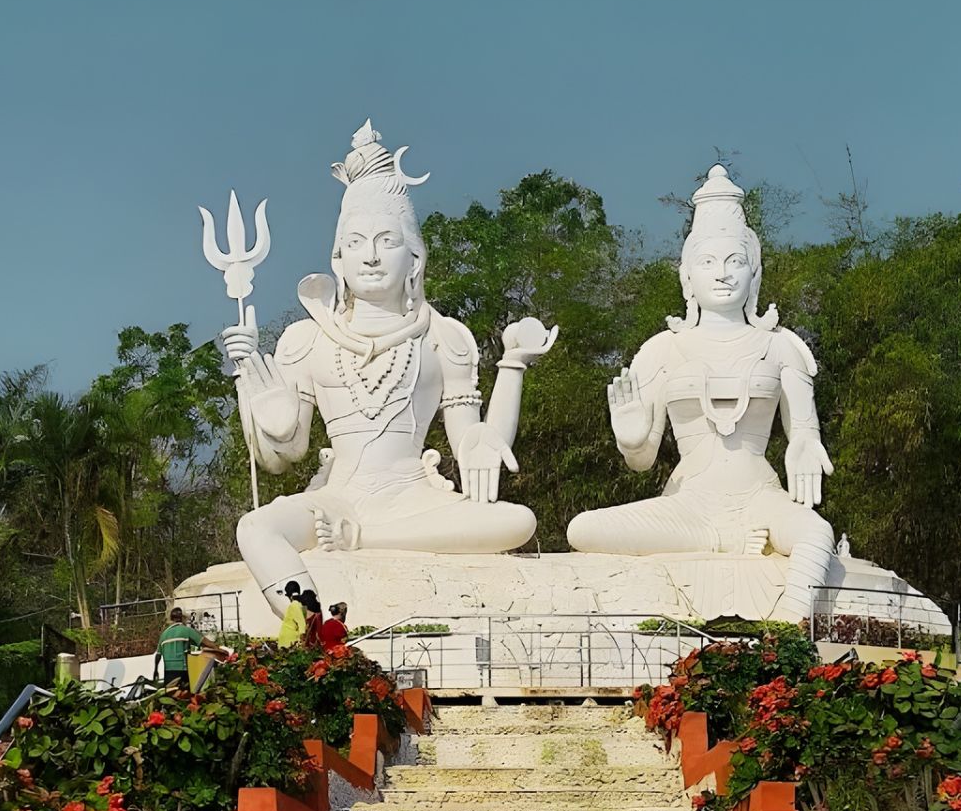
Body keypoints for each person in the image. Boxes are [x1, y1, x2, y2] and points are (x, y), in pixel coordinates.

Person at [220, 121, 558, 617]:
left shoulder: (444, 337)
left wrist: (513, 366)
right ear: (338, 259)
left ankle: (364, 539)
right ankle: (309, 623)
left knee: (515, 521)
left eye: (386, 241)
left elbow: (473, 448)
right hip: (335, 499)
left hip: (413, 500)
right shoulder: (306, 339)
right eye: (356, 243)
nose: (372, 257)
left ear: (414, 257)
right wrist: (259, 404)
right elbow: (280, 458)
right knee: (254, 527)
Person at [565, 164, 837, 621]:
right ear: (686, 277)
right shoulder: (661, 351)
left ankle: (791, 628)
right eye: (708, 263)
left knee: (815, 533)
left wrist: (807, 447)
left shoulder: (781, 347)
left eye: (736, 263)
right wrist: (631, 440)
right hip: (690, 505)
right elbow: (642, 460)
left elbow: (804, 432)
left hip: (759, 498)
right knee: (583, 529)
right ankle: (722, 541)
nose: (723, 275)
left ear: (755, 274)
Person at [157, 607, 225, 692]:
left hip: (168, 672)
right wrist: (219, 650)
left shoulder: (164, 634)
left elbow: (158, 655)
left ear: (171, 619)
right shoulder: (187, 631)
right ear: (182, 618)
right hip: (182, 671)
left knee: (170, 697)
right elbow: (205, 642)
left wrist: (155, 670)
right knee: (185, 696)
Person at [276, 580, 306, 648]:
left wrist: (303, 640)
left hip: (289, 642)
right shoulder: (302, 605)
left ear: (290, 596)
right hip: (290, 641)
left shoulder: (294, 605)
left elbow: (302, 624)